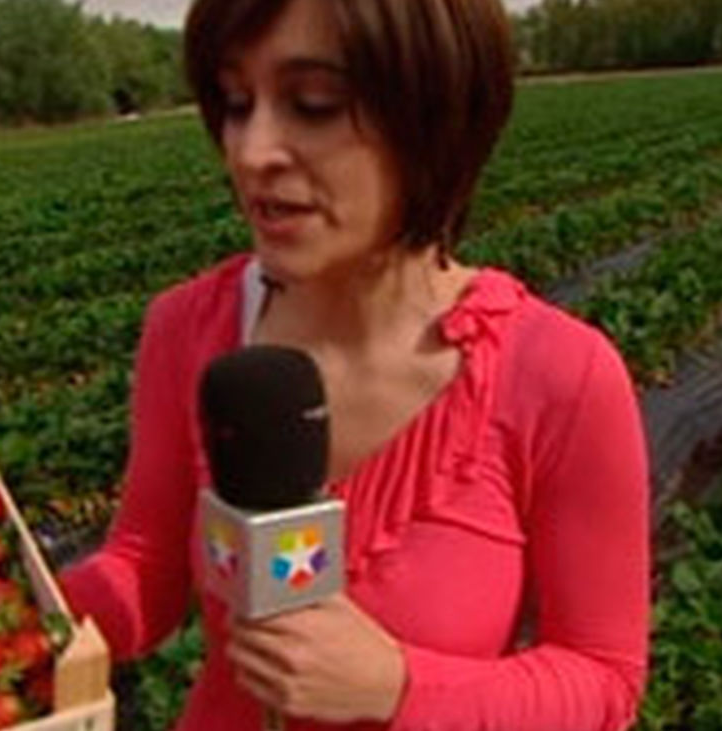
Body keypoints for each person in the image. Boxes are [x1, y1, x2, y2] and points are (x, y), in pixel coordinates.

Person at [58, 0, 650, 728]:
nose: (251, 151)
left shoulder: (560, 375)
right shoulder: (189, 328)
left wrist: (399, 686)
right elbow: (146, 563)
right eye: (238, 103)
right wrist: (23, 619)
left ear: (435, 117)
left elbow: (603, 677)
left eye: (314, 105)